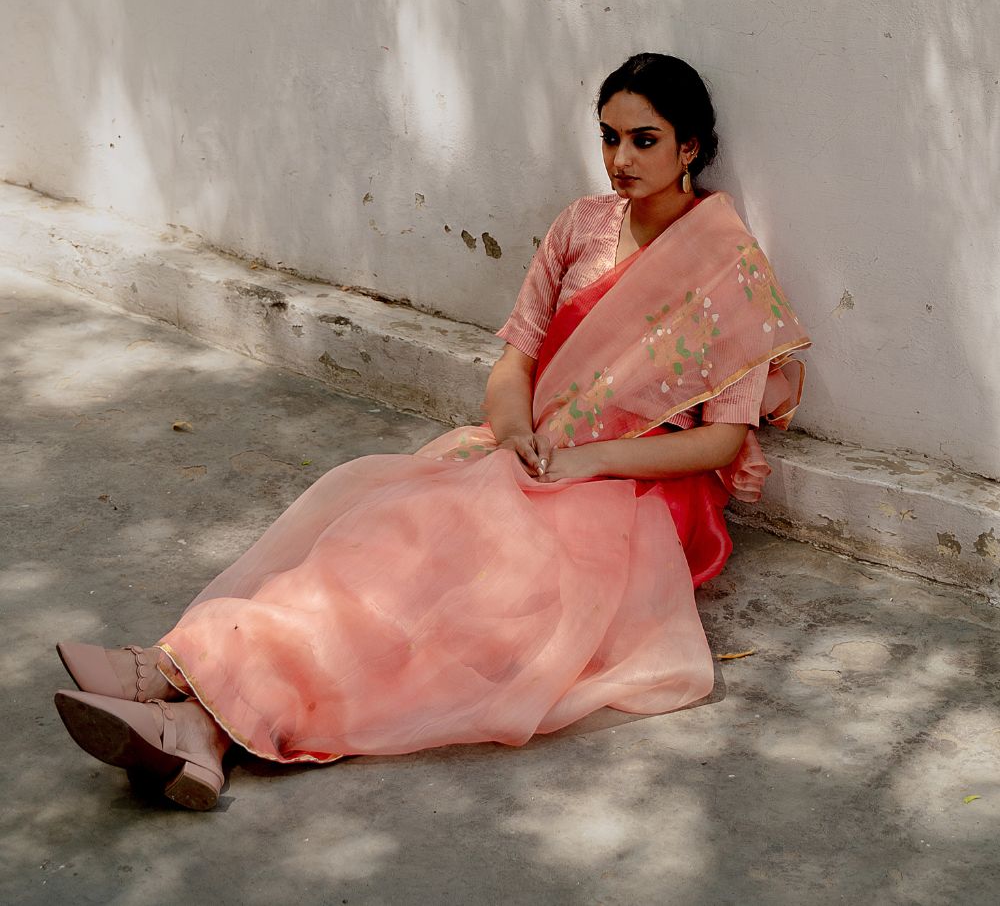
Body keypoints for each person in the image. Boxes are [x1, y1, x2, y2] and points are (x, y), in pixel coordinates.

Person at [54, 53, 809, 810]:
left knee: (459, 604)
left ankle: (186, 691)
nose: (620, 159)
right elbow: (515, 362)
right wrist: (512, 435)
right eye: (609, 137)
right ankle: (198, 715)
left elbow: (722, 441)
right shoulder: (582, 226)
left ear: (690, 147)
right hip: (526, 452)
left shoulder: (727, 266)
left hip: (629, 491)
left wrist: (587, 461)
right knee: (383, 544)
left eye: (644, 141)